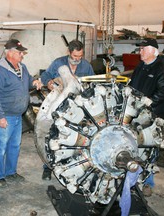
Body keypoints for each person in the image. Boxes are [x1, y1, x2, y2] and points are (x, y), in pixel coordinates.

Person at [0, 39, 42, 188]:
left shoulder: (22, 67)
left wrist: (35, 82)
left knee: (14, 146)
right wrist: (0, 117)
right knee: (2, 147)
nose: (22, 55)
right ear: (10, 53)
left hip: (18, 115)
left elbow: (28, 80)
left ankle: (11, 172)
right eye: (20, 52)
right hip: (5, 116)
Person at [40, 39, 95, 180]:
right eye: (75, 56)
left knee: (76, 137)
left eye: (80, 56)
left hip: (79, 109)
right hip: (59, 106)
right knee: (52, 135)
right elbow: (45, 75)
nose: (77, 59)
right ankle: (47, 167)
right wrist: (49, 82)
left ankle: (74, 164)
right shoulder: (59, 63)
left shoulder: (86, 66)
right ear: (69, 52)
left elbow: (92, 83)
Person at [129, 38, 164, 197]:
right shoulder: (141, 66)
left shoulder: (162, 69)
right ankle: (132, 177)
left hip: (153, 116)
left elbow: (162, 93)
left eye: (143, 49)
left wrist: (149, 103)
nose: (140, 52)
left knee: (149, 149)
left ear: (154, 51)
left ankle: (148, 182)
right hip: (137, 113)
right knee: (134, 145)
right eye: (140, 49)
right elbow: (133, 85)